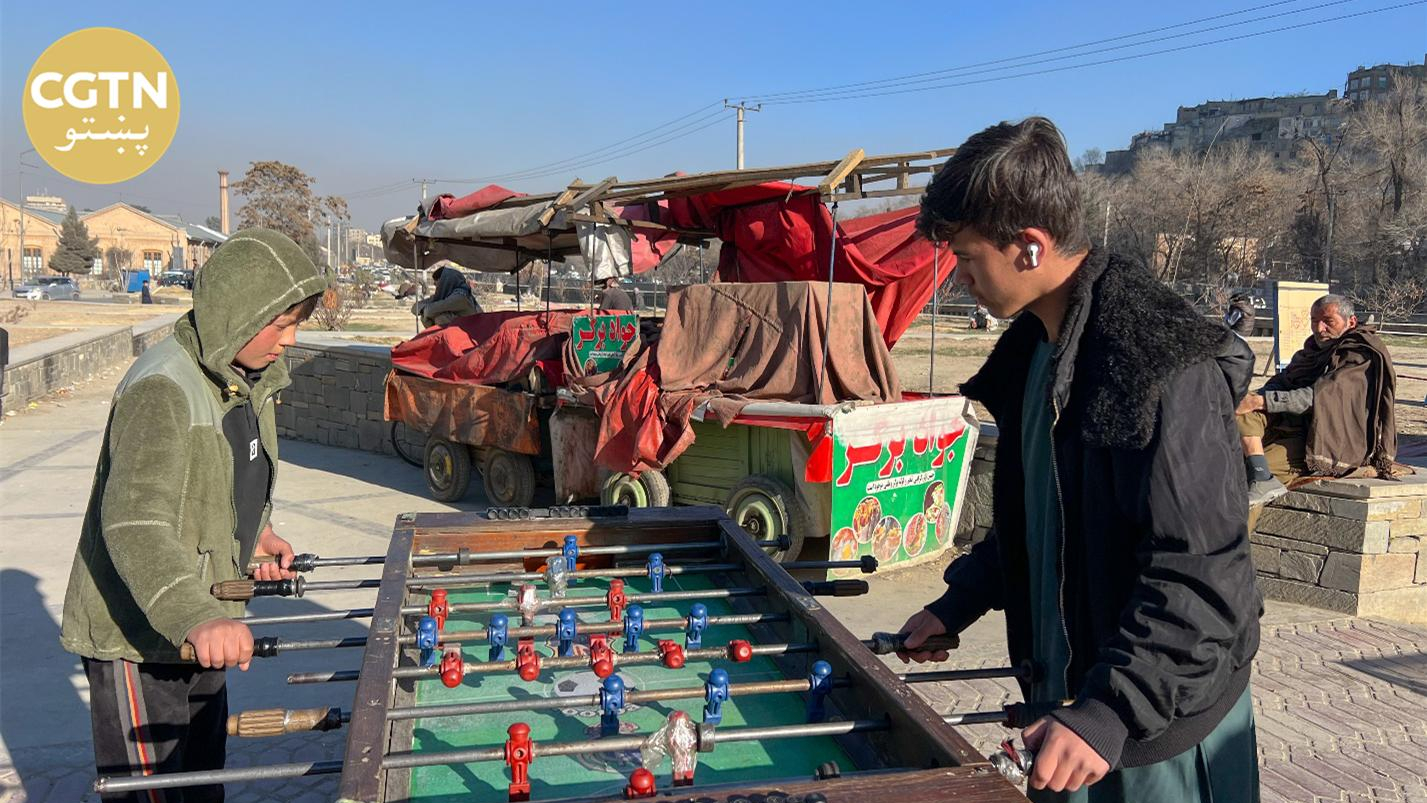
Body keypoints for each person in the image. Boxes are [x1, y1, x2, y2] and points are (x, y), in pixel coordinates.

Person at [897, 118, 1261, 802]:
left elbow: (1204, 575)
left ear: (1029, 247)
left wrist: (1111, 710)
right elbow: (1041, 516)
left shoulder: (1157, 363)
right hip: (1073, 712)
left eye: (967, 257)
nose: (958, 278)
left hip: (1154, 733)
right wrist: (959, 601)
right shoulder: (1035, 350)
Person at [60, 228, 327, 802]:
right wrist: (196, 616)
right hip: (140, 638)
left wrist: (256, 537)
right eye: (280, 323)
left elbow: (222, 482)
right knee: (155, 794)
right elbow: (134, 523)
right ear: (236, 311)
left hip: (203, 620)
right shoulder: (162, 387)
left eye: (296, 323)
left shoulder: (245, 379)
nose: (290, 339)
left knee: (203, 787)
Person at [1236, 294, 1396, 506]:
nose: (1319, 329)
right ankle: (1260, 474)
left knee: (1241, 478)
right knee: (1242, 411)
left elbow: (1319, 397)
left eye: (1328, 321)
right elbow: (1284, 382)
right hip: (1292, 424)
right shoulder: (1311, 352)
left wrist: (1264, 401)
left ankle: (1256, 482)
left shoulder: (1359, 355)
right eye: (1314, 321)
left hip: (1327, 437)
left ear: (1351, 322)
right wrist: (1253, 398)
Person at [411, 265, 480, 328]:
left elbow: (429, 311)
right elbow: (415, 308)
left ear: (445, 281)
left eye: (437, 283)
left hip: (471, 333)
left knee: (440, 317)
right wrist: (424, 310)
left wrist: (424, 310)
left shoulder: (461, 297)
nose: (436, 286)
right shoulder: (445, 294)